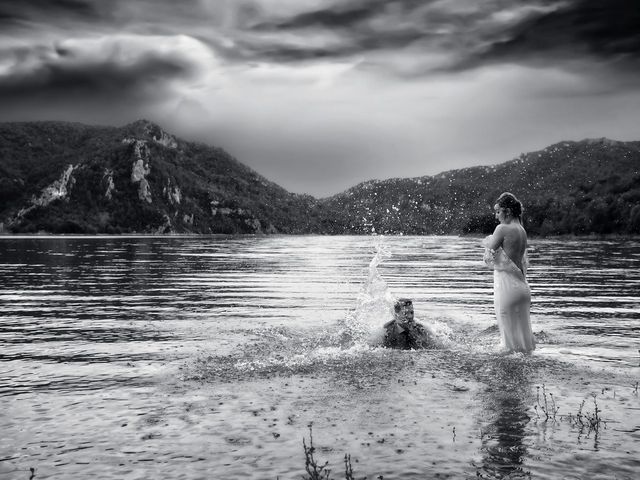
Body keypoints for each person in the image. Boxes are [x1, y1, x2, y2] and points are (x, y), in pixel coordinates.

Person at [483, 192, 535, 353]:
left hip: (507, 289)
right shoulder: (521, 230)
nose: (496, 216)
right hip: (522, 290)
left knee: (508, 347)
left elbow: (488, 257)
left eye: (498, 211)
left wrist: (487, 242)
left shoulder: (502, 229)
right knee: (524, 346)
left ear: (508, 211)